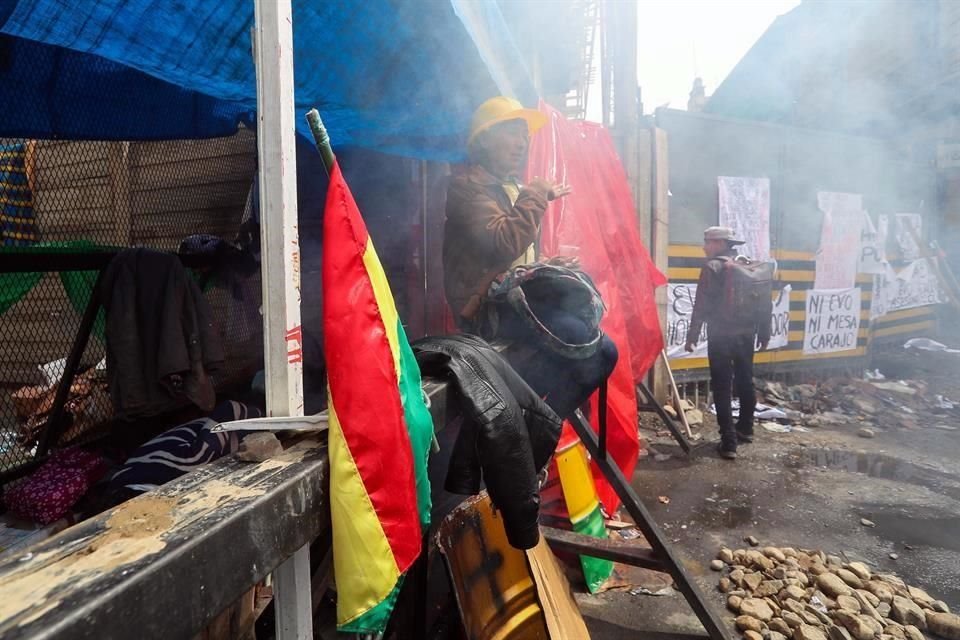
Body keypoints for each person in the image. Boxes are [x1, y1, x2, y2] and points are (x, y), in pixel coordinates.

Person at [443, 96, 618, 421]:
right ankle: (524, 426)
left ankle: (537, 430)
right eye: (512, 132)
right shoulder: (467, 189)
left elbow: (515, 261)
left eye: (524, 135)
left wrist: (547, 266)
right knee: (580, 337)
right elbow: (503, 242)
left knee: (606, 351)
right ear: (484, 141)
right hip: (487, 309)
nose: (521, 142)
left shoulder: (507, 188)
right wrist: (536, 193)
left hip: (513, 299)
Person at [685, 226, 771, 460]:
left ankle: (729, 442)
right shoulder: (747, 266)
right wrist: (765, 332)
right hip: (746, 334)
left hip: (721, 335)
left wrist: (692, 335)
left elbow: (700, 305)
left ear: (721, 243)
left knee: (722, 385)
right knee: (745, 380)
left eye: (708, 241)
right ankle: (746, 428)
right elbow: (764, 302)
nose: (705, 246)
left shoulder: (712, 267)